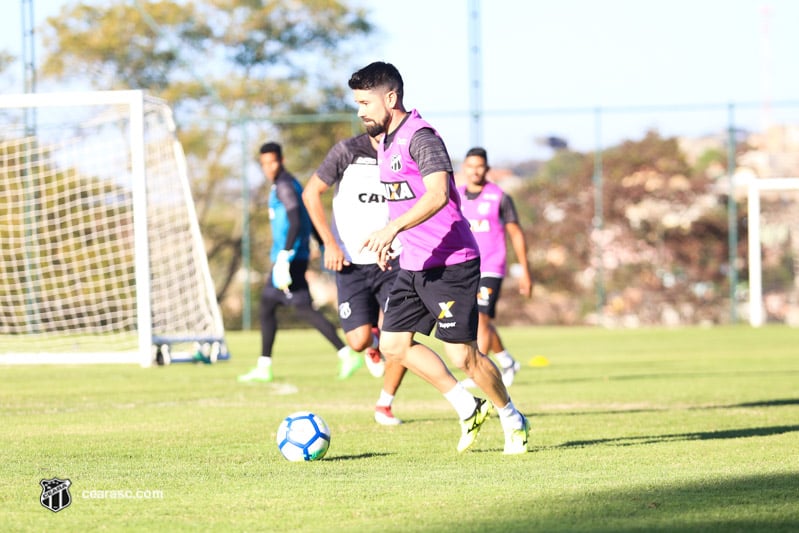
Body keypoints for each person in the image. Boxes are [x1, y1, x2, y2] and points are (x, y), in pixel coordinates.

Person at [349, 61, 529, 454]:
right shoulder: (384, 143)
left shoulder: (421, 136)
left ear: (391, 98)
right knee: (394, 346)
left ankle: (512, 416)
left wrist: (391, 230)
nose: (360, 111)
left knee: (463, 356)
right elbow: (401, 202)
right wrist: (390, 241)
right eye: (357, 103)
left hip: (452, 263)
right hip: (413, 264)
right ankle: (467, 405)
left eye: (366, 102)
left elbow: (438, 194)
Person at [302, 132, 409, 426]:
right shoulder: (347, 152)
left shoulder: (405, 150)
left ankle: (384, 405)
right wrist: (329, 245)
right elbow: (310, 194)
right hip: (350, 262)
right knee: (358, 341)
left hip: (392, 260)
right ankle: (373, 341)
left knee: (400, 339)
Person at [238, 142, 363, 383]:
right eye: (264, 164)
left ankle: (345, 353)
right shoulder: (289, 184)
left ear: (281, 160)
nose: (268, 167)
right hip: (294, 256)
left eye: (272, 162)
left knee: (287, 307)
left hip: (290, 257)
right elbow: (308, 218)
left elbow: (296, 219)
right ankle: (267, 365)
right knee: (276, 306)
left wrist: (285, 255)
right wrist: (322, 242)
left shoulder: (284, 185)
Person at [457, 147, 532, 387]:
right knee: (480, 319)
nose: (475, 170)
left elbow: (516, 234)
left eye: (479, 166)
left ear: (487, 169)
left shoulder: (499, 197)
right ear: (464, 168)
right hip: (465, 267)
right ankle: (507, 361)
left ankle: (480, 369)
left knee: (481, 317)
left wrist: (525, 272)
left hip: (491, 266)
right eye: (470, 166)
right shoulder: (455, 196)